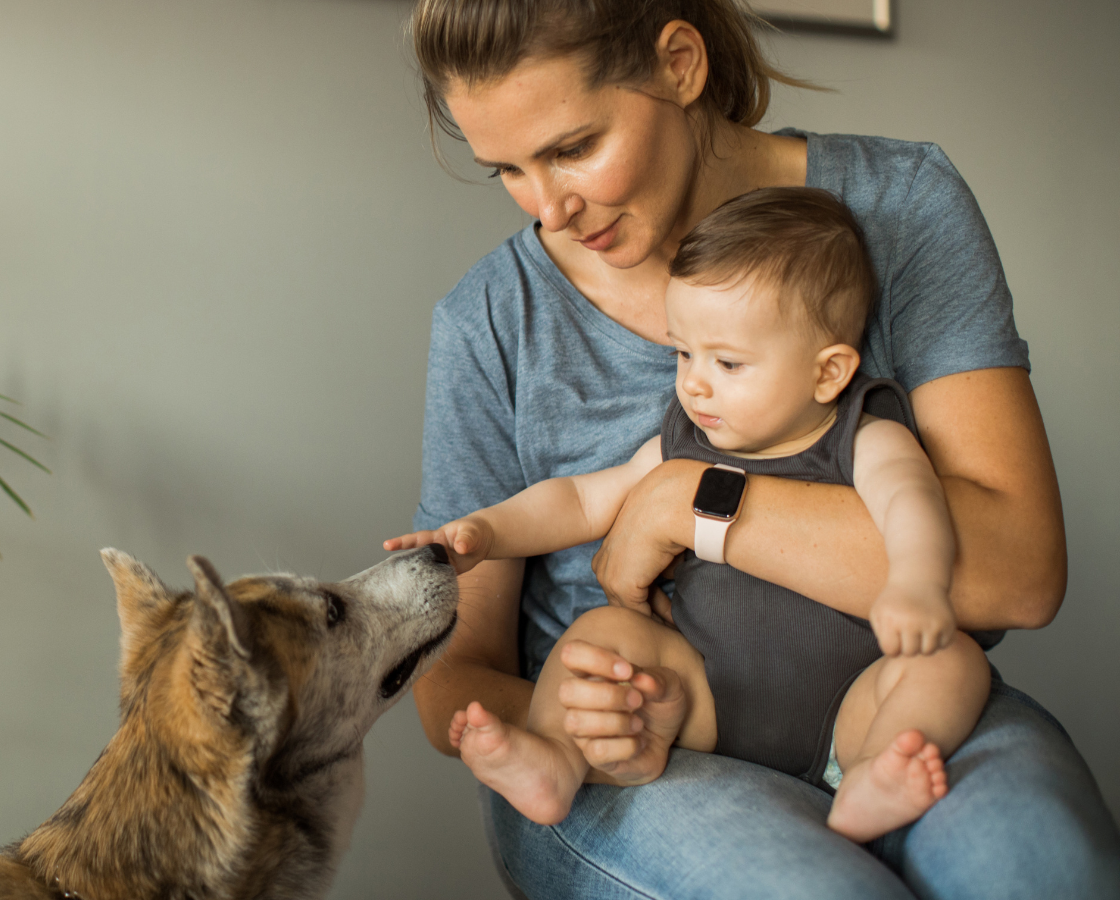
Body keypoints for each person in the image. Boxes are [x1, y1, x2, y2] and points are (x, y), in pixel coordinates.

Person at [404, 1, 1120, 897]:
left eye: (573, 147)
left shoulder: (899, 208)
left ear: (680, 63)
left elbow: (1017, 571)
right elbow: (451, 683)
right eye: (506, 168)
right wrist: (586, 718)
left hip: (879, 701)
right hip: (652, 740)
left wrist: (693, 504)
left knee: (1040, 871)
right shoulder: (490, 320)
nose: (549, 208)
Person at [388, 186, 991, 844]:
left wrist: (917, 584)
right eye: (684, 353)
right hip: (706, 695)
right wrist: (487, 531)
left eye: (728, 362)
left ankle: (874, 774)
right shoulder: (685, 439)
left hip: (853, 703)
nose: (695, 383)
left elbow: (913, 502)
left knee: (953, 663)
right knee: (601, 634)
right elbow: (583, 498)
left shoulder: (864, 434)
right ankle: (560, 758)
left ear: (828, 373)